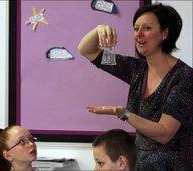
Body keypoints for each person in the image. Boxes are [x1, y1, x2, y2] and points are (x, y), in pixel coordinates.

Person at [78, 3, 193, 170]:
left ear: (165, 33)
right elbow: (86, 50)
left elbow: (164, 133)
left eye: (147, 28)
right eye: (136, 28)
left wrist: (123, 113)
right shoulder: (136, 69)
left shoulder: (185, 77)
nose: (138, 34)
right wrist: (99, 29)